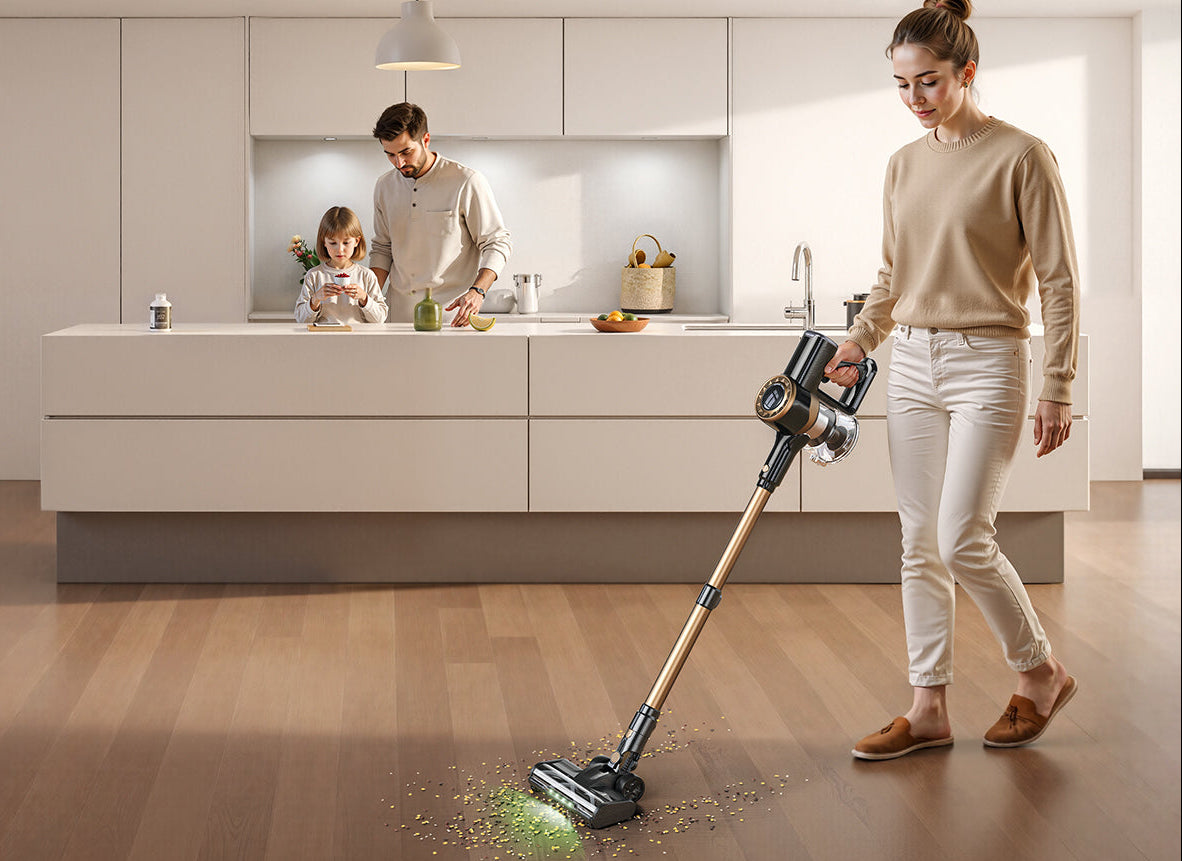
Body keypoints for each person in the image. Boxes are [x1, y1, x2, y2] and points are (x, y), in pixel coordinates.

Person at [827, 0, 1080, 761]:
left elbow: (1060, 281)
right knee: (917, 541)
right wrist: (859, 338)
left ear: (968, 73)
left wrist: (1059, 382)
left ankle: (1040, 673)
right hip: (910, 361)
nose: (915, 101)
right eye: (902, 86)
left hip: (988, 363)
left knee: (963, 536)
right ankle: (927, 705)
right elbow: (891, 274)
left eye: (929, 82)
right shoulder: (903, 164)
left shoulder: (1022, 155)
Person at [369, 102, 512, 327]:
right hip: (398, 321)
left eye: (406, 152)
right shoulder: (384, 186)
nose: (399, 163)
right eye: (390, 155)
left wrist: (477, 291)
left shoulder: (466, 181)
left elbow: (497, 242)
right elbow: (382, 249)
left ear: (425, 140)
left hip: (452, 318)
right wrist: (368, 301)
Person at [295, 206, 389, 325]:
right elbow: (301, 319)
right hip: (323, 339)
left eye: (346, 242)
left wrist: (364, 298)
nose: (340, 249)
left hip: (358, 339)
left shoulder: (366, 276)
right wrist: (315, 299)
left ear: (357, 241)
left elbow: (380, 319)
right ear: (324, 242)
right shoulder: (314, 275)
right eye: (333, 243)